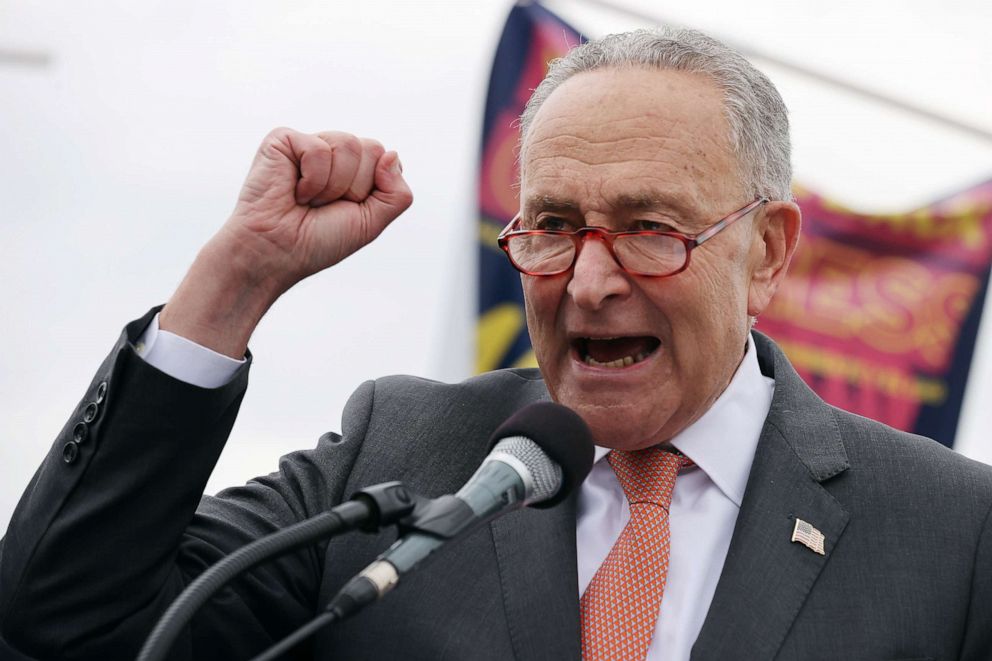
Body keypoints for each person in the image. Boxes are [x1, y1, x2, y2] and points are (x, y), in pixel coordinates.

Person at [2, 26, 991, 661]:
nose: (590, 282)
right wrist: (234, 283)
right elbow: (65, 621)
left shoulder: (951, 535)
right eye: (552, 226)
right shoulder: (399, 448)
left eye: (650, 228)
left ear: (766, 250)